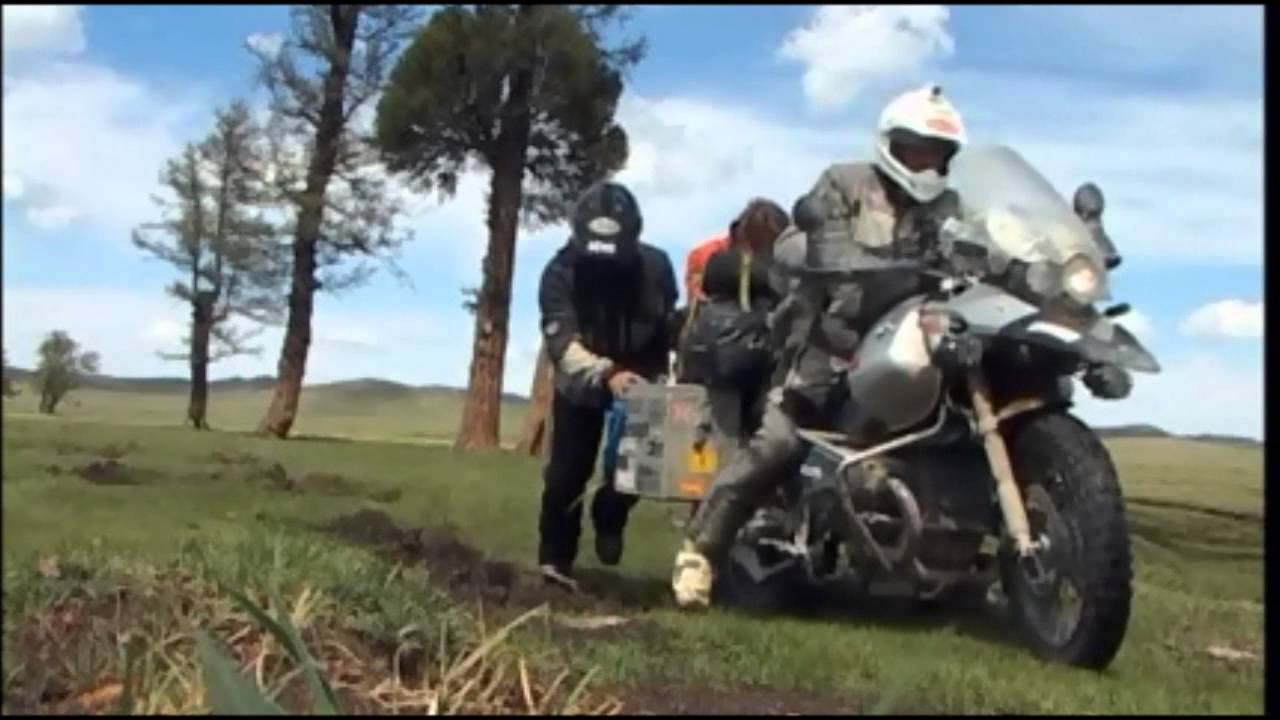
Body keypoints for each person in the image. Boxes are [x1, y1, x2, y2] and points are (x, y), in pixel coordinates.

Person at [670, 83, 1133, 609]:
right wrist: (828, 251)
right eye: (916, 148)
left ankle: (986, 552)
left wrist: (1036, 268)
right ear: (891, 143)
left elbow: (989, 246)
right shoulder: (844, 183)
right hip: (837, 336)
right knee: (780, 441)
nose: (927, 161)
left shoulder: (953, 204)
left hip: (917, 325)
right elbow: (807, 239)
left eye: (938, 153)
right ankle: (700, 552)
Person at [537, 180, 678, 591]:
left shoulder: (657, 268)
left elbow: (667, 325)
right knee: (566, 476)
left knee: (638, 473)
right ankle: (555, 562)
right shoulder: (558, 272)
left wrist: (663, 376)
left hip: (644, 376)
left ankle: (610, 513)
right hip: (584, 377)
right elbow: (562, 346)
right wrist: (608, 372)